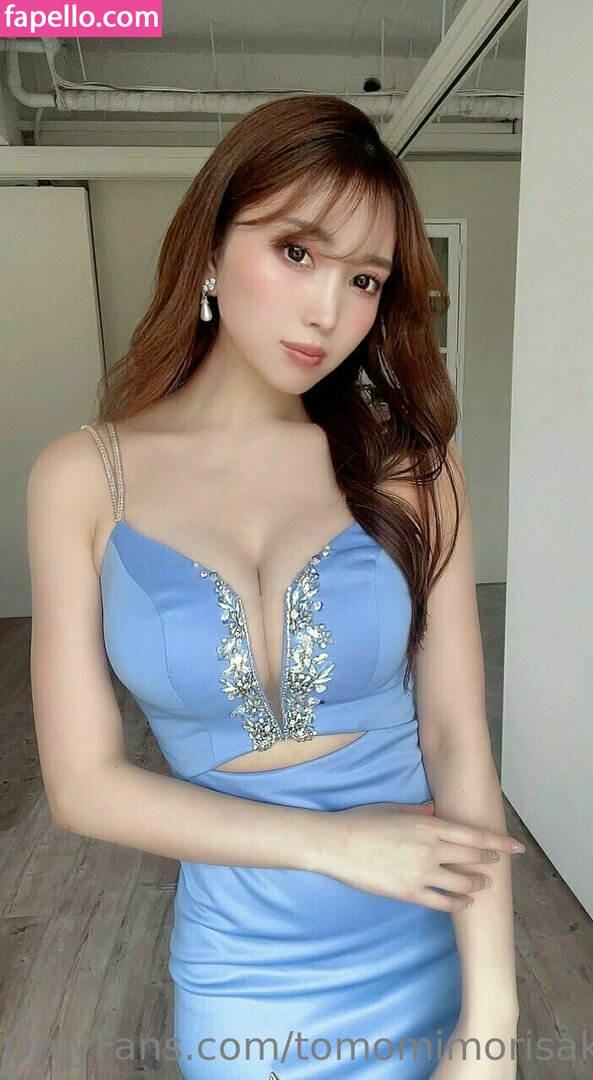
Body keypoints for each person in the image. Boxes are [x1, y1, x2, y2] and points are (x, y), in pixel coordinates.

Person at [28, 95, 524, 1079]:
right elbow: (83, 786)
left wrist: (492, 1023)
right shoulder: (83, 479)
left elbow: (455, 739)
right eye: (297, 251)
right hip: (242, 973)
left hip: (421, 939)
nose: (327, 311)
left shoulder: (411, 470)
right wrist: (336, 847)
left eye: (364, 279)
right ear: (211, 250)